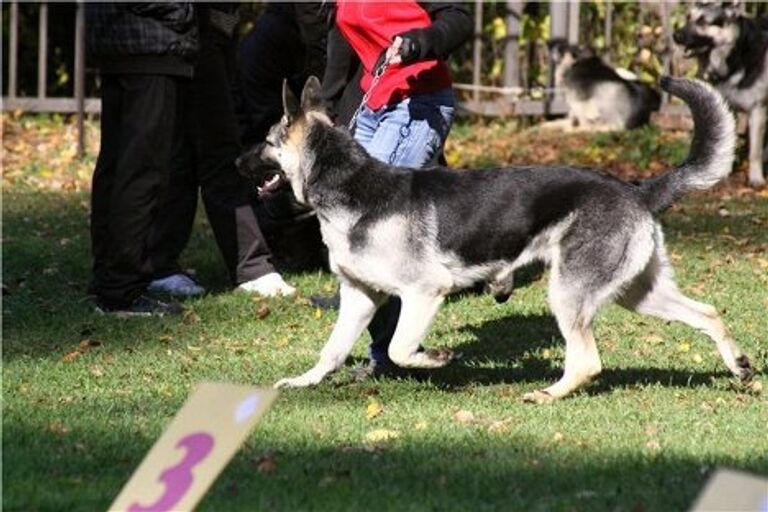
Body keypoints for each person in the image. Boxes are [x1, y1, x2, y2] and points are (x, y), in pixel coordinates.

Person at [321, 1, 472, 368]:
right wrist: (324, 110)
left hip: (418, 104)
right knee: (357, 231)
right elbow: (343, 40)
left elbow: (458, 19)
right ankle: (385, 352)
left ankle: (389, 354)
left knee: (377, 229)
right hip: (372, 104)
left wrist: (422, 41)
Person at [146, 3, 296, 298]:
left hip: (207, 27)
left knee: (188, 146)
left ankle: (159, 261)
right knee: (218, 147)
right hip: (194, 27)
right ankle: (250, 266)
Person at [86, 3, 197, 315]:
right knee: (142, 171)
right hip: (151, 43)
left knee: (116, 167)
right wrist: (181, 10)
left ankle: (109, 280)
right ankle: (122, 290)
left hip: (120, 42)